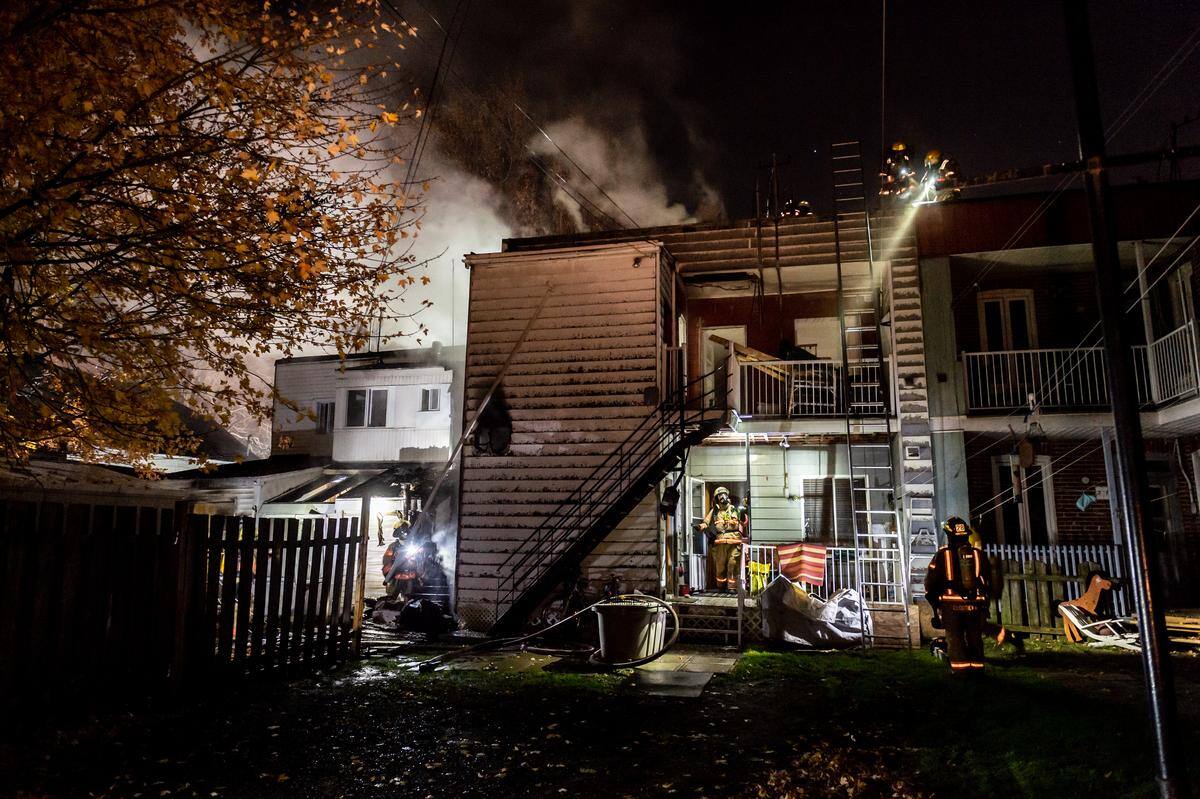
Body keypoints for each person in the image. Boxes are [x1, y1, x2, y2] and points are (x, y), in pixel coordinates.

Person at [925, 516, 990, 672]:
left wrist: (934, 603)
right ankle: (977, 671)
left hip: (951, 606)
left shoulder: (942, 555)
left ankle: (960, 672)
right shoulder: (977, 554)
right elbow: (986, 579)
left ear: (949, 535)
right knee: (975, 639)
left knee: (955, 639)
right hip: (975, 605)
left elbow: (930, 582)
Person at [700, 487, 744, 593]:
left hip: (734, 541)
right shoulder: (715, 510)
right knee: (720, 566)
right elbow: (706, 522)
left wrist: (743, 513)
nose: (722, 497)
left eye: (724, 494)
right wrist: (701, 526)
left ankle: (732, 587)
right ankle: (721, 586)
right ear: (716, 498)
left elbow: (744, 520)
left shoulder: (735, 509)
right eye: (720, 495)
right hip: (720, 542)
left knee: (732, 564)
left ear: (727, 496)